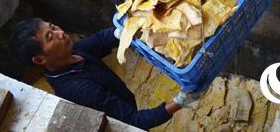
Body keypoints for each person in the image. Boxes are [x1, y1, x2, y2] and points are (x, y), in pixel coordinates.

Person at [11, 18, 200, 130]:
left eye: (53, 27)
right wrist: (180, 102)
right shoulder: (79, 89)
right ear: (40, 59)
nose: (60, 32)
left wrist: (123, 30)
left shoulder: (71, 53)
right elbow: (133, 122)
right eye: (50, 37)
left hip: (124, 102)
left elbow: (101, 40)